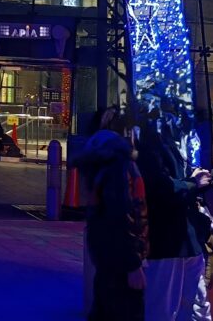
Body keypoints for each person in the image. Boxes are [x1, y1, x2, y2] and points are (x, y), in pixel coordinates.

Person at [138, 102, 211, 321]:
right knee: (165, 307)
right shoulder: (150, 145)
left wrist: (193, 180)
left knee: (195, 304)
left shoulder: (168, 142)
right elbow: (161, 188)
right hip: (169, 242)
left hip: (185, 239)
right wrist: (193, 183)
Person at [80, 112, 147, 320]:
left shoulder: (98, 158)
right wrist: (132, 263)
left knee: (104, 308)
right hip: (120, 258)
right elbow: (121, 212)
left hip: (103, 252)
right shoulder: (119, 162)